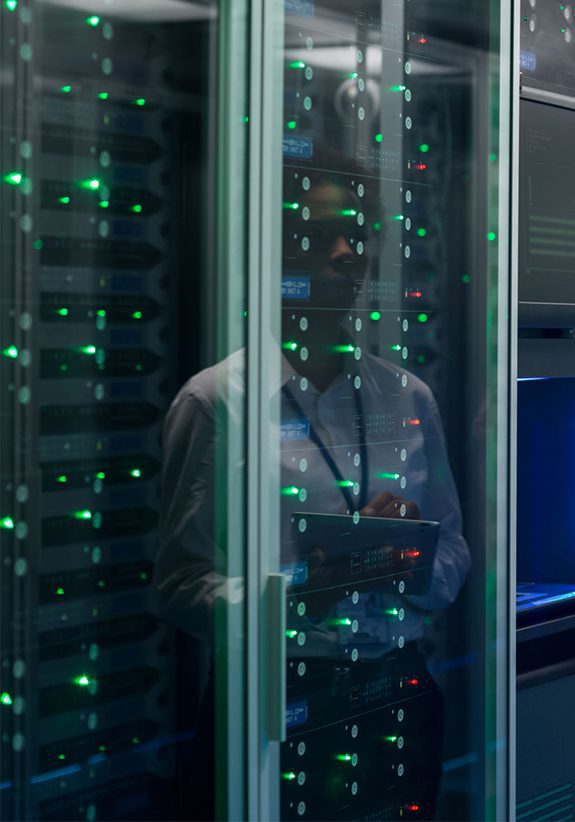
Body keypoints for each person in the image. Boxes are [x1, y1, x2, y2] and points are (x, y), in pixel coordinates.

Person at [152, 147, 469, 818]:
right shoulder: (217, 402)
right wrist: (304, 589)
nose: (348, 252)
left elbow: (454, 551)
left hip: (398, 689)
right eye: (322, 234)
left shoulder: (406, 395)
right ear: (274, 250)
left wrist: (409, 556)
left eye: (357, 233)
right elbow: (179, 588)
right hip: (274, 699)